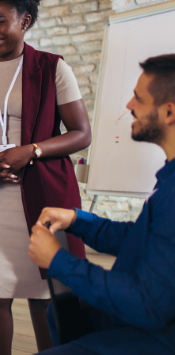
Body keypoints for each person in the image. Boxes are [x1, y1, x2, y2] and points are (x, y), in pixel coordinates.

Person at [0, 0, 92, 355]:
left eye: (0, 21)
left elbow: (81, 133)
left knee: (45, 297)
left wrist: (30, 150)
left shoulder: (52, 67)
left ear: (26, 20)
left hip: (46, 194)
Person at [30, 54, 175, 355]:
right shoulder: (169, 178)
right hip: (153, 314)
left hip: (158, 333)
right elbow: (140, 239)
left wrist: (59, 261)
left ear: (169, 112)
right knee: (61, 313)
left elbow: (148, 305)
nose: (129, 106)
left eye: (138, 98)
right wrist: (77, 219)